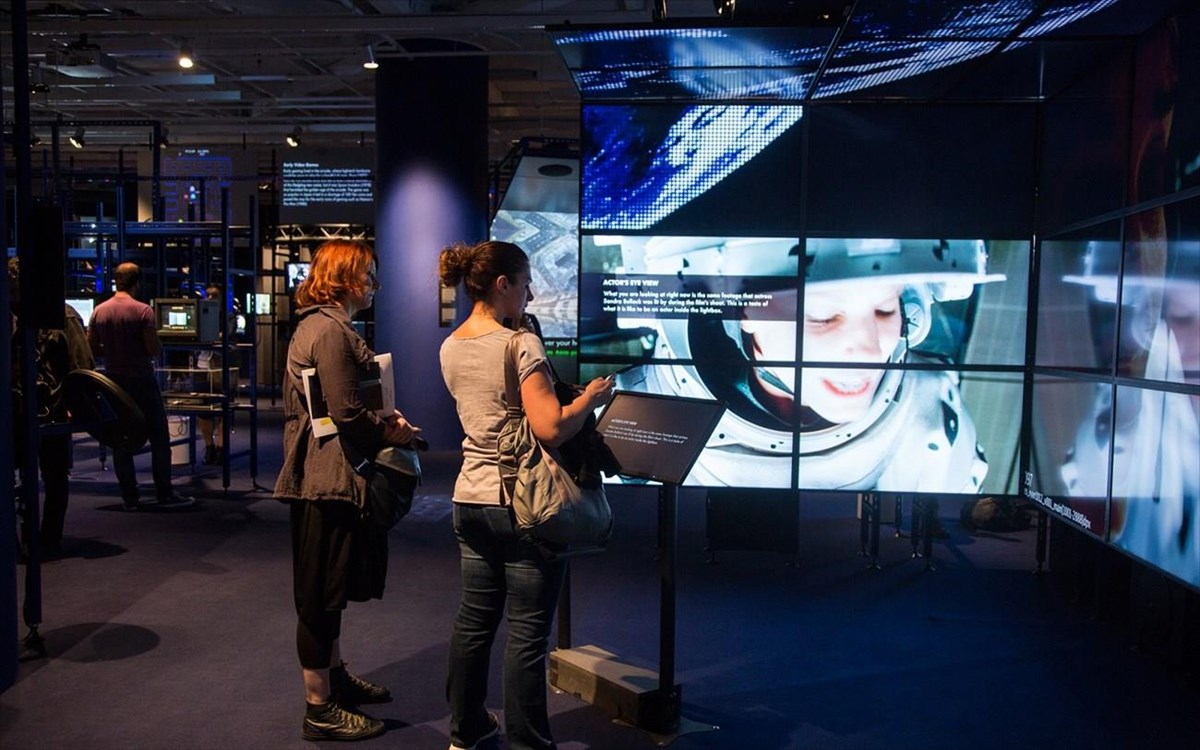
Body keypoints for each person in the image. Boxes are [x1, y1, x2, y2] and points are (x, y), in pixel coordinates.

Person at [608, 237, 1004, 492]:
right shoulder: (642, 418)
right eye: (823, 317)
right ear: (743, 312)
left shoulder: (929, 409)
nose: (869, 349)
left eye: (885, 310)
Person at [438, 240, 614, 750]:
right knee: (528, 633)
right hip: (524, 504)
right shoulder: (521, 344)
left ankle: (465, 732)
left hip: (469, 498)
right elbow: (551, 426)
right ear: (502, 284)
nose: (531, 294)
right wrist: (590, 398)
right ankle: (528, 744)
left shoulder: (451, 346)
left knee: (473, 623)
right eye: (526, 283)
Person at [273, 239, 421, 742]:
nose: (375, 285)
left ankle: (334, 680)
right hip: (326, 482)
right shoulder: (331, 332)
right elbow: (347, 412)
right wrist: (393, 434)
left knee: (328, 592)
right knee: (319, 596)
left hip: (328, 479)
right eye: (368, 275)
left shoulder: (322, 327)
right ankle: (320, 709)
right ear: (345, 278)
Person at [87, 262, 194, 511]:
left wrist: (114, 352)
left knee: (121, 440)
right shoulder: (143, 311)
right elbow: (153, 348)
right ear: (137, 283)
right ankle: (164, 493)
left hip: (114, 383)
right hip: (142, 381)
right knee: (159, 438)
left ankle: (130, 497)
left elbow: (91, 348)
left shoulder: (99, 311)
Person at [9, 258, 95, 556]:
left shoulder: (62, 316)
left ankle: (41, 539)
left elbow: (81, 368)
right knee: (55, 477)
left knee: (52, 477)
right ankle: (45, 539)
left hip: (43, 412)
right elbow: (83, 367)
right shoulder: (63, 315)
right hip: (47, 413)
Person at [195, 283, 225, 466]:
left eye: (215, 295)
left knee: (223, 410)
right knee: (203, 411)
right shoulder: (199, 316)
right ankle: (209, 446)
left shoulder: (228, 317)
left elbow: (227, 336)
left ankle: (221, 447)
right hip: (201, 368)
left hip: (221, 369)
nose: (210, 299)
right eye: (208, 295)